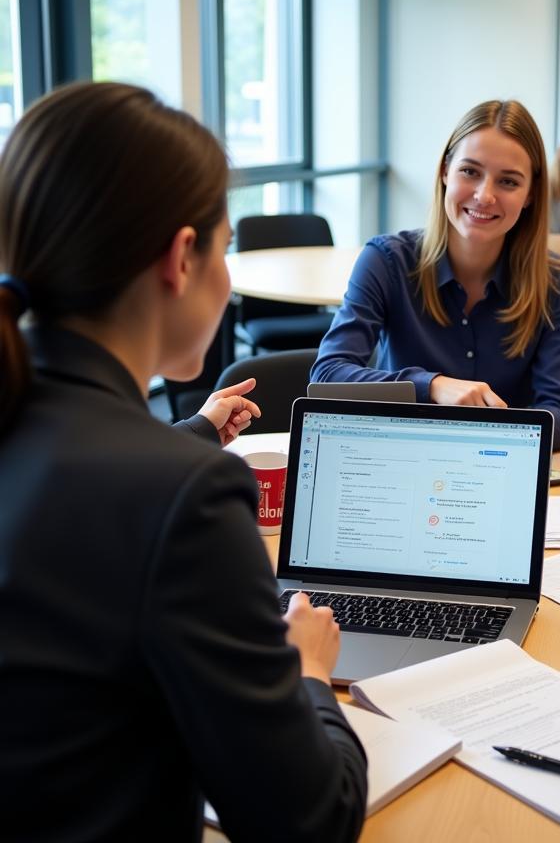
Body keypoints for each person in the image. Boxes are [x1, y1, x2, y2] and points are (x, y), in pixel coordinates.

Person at [0, 83, 367, 841]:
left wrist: (192, 434)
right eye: (226, 248)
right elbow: (309, 822)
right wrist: (308, 676)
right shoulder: (188, 497)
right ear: (182, 257)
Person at [313, 100, 560, 450]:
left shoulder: (555, 280)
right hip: (397, 458)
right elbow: (328, 375)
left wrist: (485, 433)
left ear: (531, 194)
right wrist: (433, 387)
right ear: (445, 171)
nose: (484, 195)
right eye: (470, 172)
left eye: (508, 181)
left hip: (500, 464)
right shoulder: (385, 261)